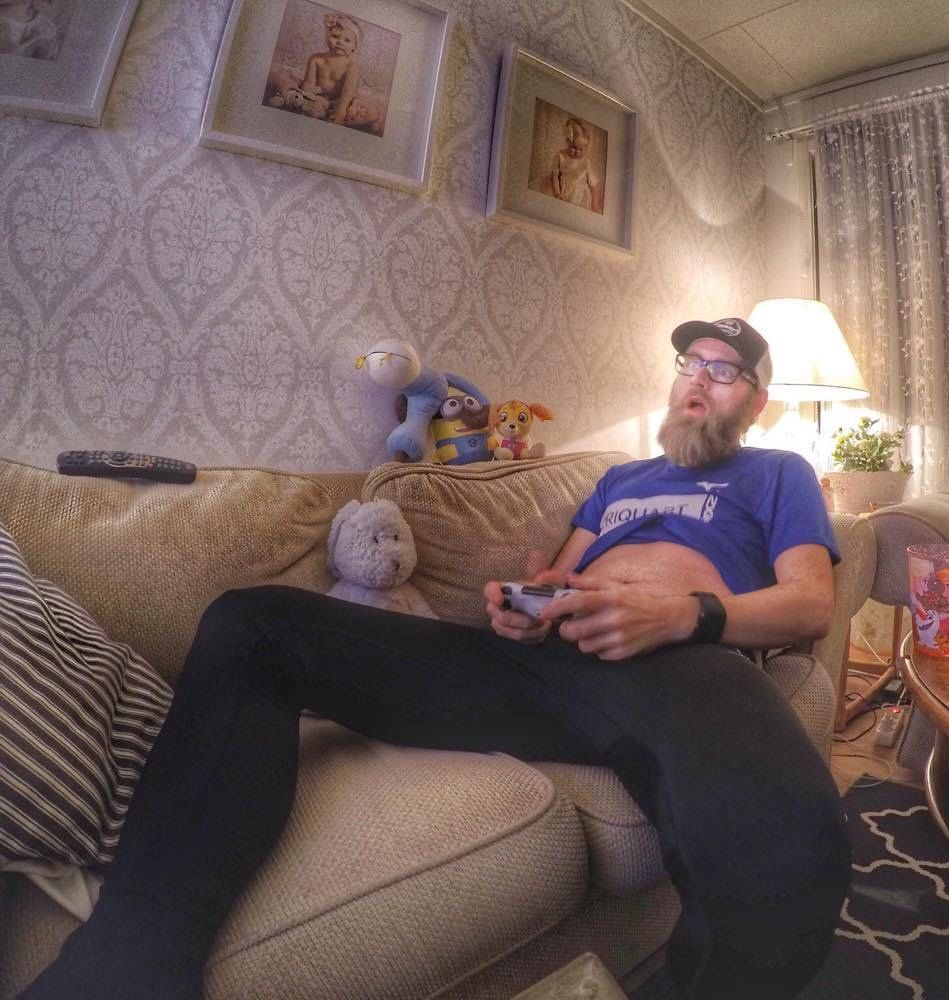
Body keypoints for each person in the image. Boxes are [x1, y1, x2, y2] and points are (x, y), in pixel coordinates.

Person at [21, 318, 851, 1000]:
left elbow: (812, 603)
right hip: (544, 665)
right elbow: (559, 578)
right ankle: (124, 969)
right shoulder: (620, 481)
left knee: (785, 839)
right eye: (689, 363)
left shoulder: (777, 473)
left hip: (681, 661)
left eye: (725, 370)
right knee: (254, 623)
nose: (700, 378)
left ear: (756, 402)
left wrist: (686, 614)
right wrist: (525, 610)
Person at [544, 117, 603, 213]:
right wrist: (557, 192)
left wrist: (594, 204)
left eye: (581, 149)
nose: (577, 152)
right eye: (574, 147)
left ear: (586, 148)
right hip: (563, 190)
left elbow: (594, 184)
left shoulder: (586, 162)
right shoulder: (561, 156)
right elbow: (554, 176)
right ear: (568, 142)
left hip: (580, 196)